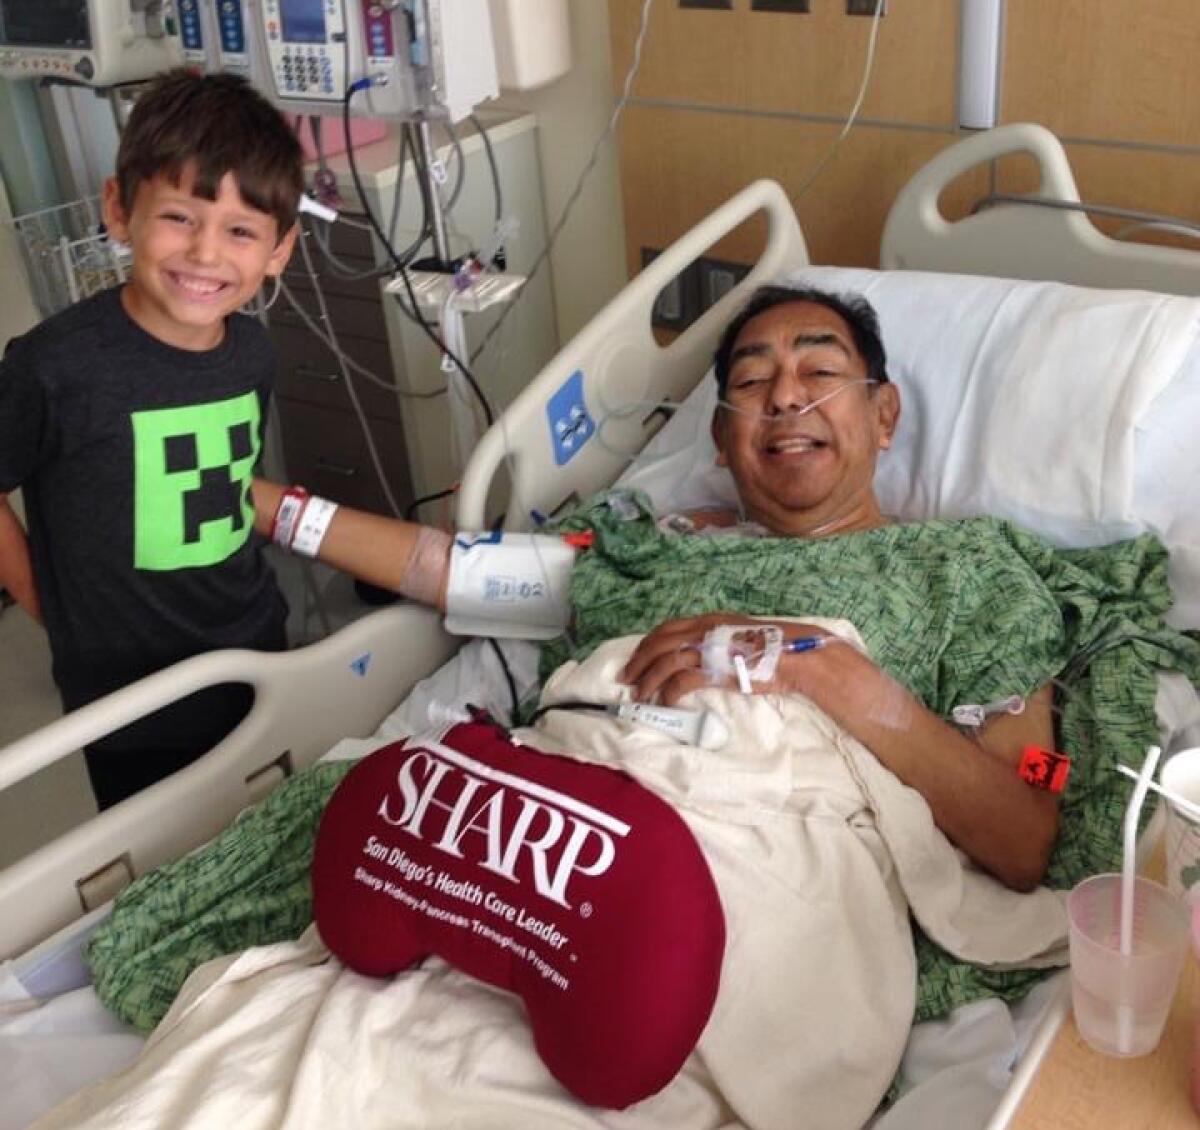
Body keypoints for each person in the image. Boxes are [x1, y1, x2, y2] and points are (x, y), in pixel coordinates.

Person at [248, 284, 1058, 892]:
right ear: (719, 437)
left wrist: (822, 666)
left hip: (750, 883)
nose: (784, 395)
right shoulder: (655, 553)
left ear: (884, 416)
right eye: (751, 383)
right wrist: (267, 507)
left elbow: (1024, 831)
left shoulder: (970, 576)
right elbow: (450, 569)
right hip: (541, 844)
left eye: (820, 369)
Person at [0, 69, 302, 809]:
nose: (204, 254)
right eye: (178, 217)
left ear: (278, 251)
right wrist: (46, 600)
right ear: (118, 210)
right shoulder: (53, 367)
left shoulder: (253, 354)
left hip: (253, 651)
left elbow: (227, 487)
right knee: (159, 863)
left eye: (240, 231)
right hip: (126, 695)